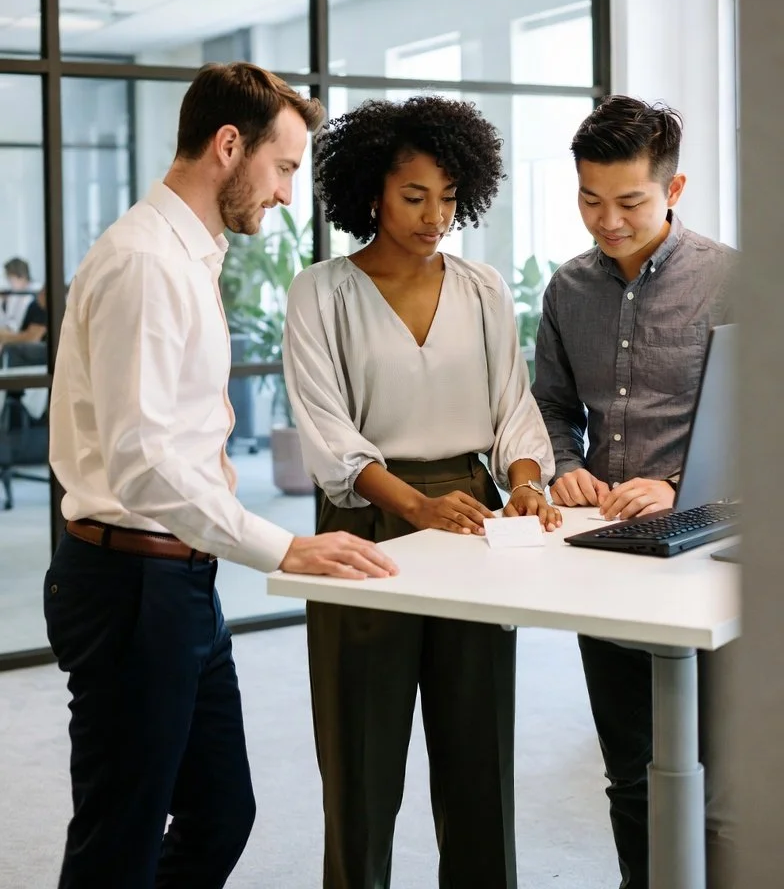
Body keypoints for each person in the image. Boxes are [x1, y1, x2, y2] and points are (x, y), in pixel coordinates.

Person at [44, 62, 397, 889]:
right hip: (131, 581)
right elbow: (142, 463)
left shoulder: (186, 254)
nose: (284, 196)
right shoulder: (144, 262)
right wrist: (283, 549)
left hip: (177, 582)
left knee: (218, 813)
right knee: (119, 837)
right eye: (281, 169)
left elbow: (172, 432)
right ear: (227, 145)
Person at [283, 95, 559, 889]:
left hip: (473, 515)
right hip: (366, 521)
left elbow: (514, 407)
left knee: (478, 752)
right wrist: (413, 508)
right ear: (372, 191)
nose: (435, 216)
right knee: (362, 759)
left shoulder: (482, 289)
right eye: (413, 197)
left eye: (447, 197)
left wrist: (527, 484)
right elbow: (329, 433)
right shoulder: (321, 293)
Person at [532, 96, 736, 889]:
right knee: (629, 774)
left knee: (717, 784)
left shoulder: (734, 279)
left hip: (707, 555)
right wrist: (562, 462)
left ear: (673, 189)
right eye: (589, 199)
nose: (606, 221)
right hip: (603, 556)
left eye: (629, 202)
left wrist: (677, 481)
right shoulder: (568, 289)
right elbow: (549, 403)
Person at [0, 256, 35, 332]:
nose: (9, 282)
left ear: (21, 276)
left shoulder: (32, 295)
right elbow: (7, 320)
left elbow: (15, 326)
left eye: (10, 278)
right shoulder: (15, 294)